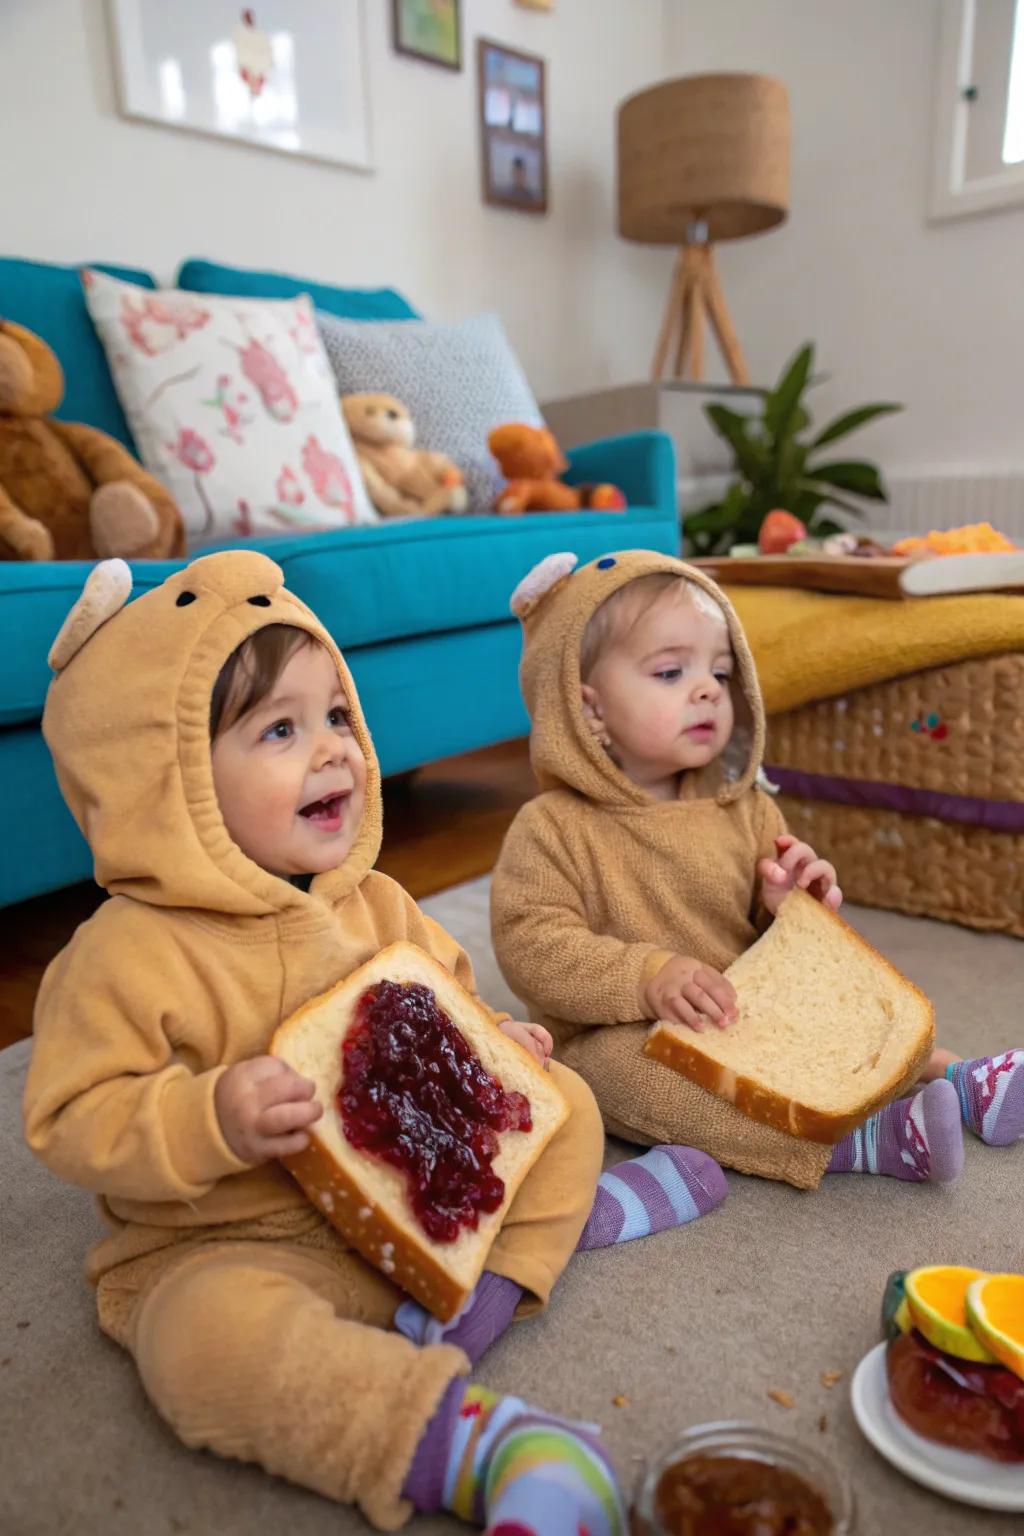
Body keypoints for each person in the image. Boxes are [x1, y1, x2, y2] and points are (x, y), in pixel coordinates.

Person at [23, 551, 722, 1535]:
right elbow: (70, 1118)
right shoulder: (124, 957)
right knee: (197, 1350)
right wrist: (207, 1115)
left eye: (338, 716)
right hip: (234, 1241)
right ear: (163, 780)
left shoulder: (381, 905)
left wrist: (493, 1042)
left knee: (564, 1103)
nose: (334, 752)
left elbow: (451, 1009)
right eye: (280, 729)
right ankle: (458, 1439)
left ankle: (499, 1277)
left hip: (424, 1188)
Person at [491, 550, 1023, 1191]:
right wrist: (647, 976)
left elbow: (772, 938)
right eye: (669, 671)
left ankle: (951, 1075)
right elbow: (531, 947)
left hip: (744, 1004)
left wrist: (790, 907)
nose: (708, 688)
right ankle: (860, 1142)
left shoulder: (744, 807)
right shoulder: (551, 827)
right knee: (627, 1080)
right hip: (622, 1026)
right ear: (590, 711)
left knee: (846, 1006)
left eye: (719, 670)